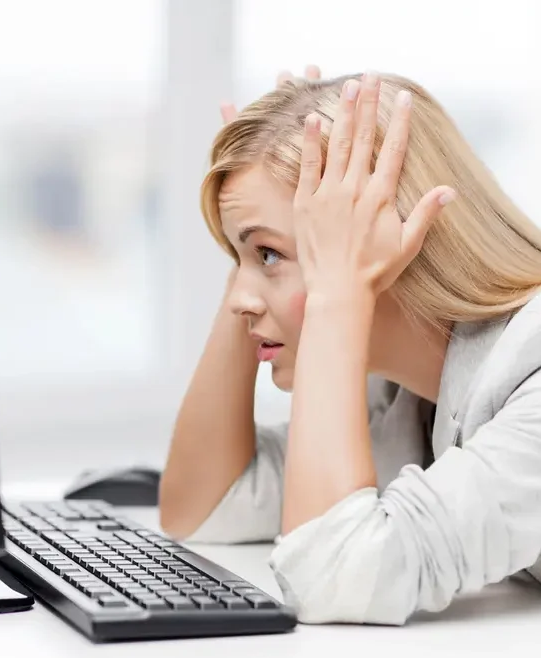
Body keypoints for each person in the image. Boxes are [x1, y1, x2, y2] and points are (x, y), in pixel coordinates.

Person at [158, 64, 541, 626]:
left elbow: (339, 575)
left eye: (270, 256)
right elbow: (205, 504)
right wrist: (249, 231)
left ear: (393, 242)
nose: (239, 299)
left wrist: (336, 288)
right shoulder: (400, 392)